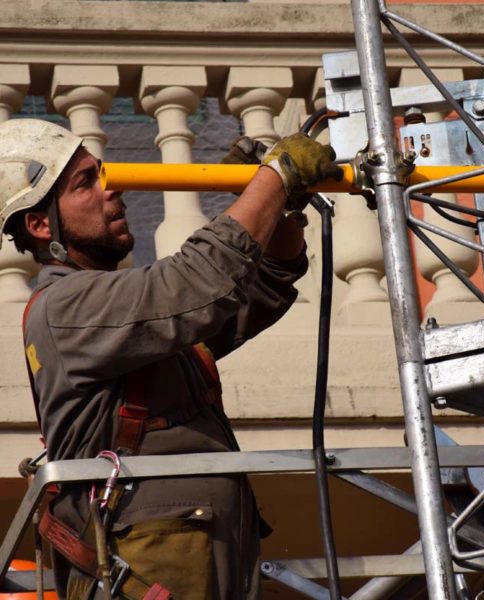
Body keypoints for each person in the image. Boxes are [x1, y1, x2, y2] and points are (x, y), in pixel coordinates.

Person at [0, 118, 342, 600]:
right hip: (149, 565)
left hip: (185, 553)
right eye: (85, 183)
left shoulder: (130, 319)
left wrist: (279, 205)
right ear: (39, 224)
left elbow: (261, 284)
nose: (112, 187)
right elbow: (199, 280)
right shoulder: (64, 306)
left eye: (102, 171)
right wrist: (276, 175)